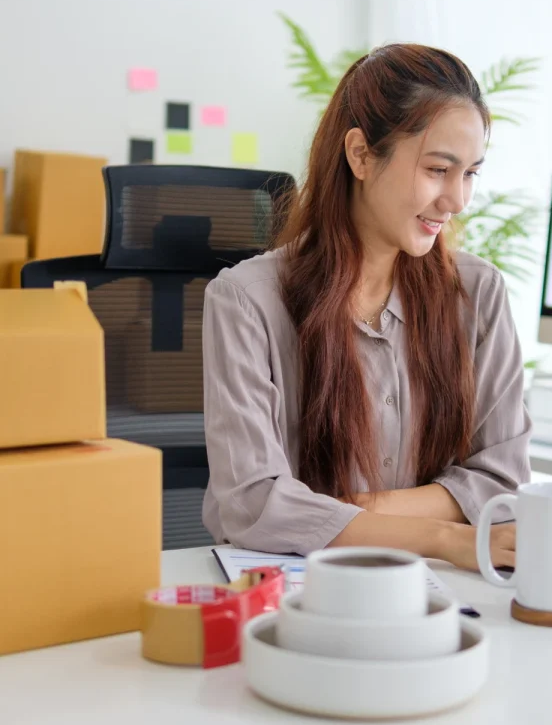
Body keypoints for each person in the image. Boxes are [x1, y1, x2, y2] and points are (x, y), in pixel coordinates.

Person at [202, 43, 531, 571]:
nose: (457, 199)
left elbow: (501, 476)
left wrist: (337, 513)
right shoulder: (245, 300)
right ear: (360, 154)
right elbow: (252, 504)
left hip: (441, 592)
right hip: (290, 591)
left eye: (470, 173)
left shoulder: (478, 292)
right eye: (438, 169)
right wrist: (441, 537)